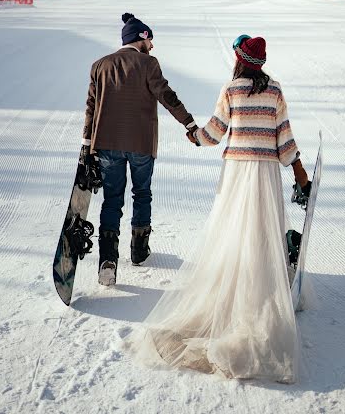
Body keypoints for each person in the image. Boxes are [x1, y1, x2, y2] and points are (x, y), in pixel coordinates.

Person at [124, 35, 311, 383]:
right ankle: (261, 284)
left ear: (240, 61)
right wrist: (298, 170)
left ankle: (234, 279)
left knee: (233, 229)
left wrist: (195, 137)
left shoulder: (231, 89)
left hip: (239, 171)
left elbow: (216, 131)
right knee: (261, 229)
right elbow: (285, 138)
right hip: (266, 172)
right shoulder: (275, 90)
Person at [81, 13, 197, 286]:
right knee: (141, 193)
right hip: (142, 144)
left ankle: (108, 260)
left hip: (107, 144)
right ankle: (138, 251)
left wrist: (87, 144)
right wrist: (189, 123)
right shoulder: (148, 64)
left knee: (112, 200)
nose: (153, 47)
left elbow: (90, 107)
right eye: (150, 41)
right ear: (140, 39)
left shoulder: (99, 66)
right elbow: (166, 95)